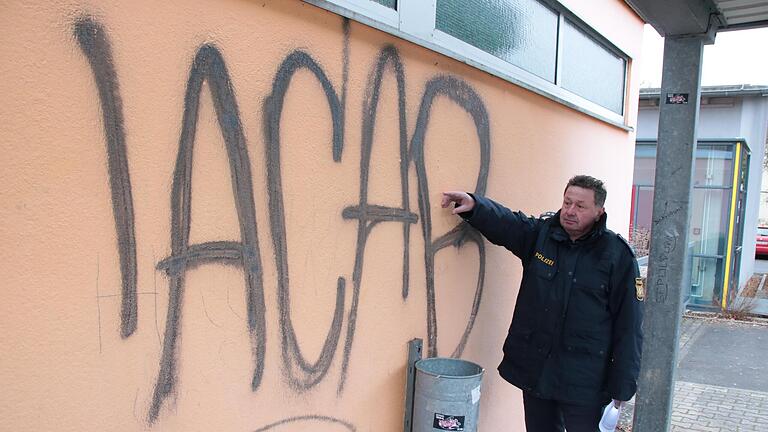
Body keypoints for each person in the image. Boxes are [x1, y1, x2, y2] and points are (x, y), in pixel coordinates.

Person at [442, 175, 643, 432]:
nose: (570, 211)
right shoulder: (543, 236)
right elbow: (508, 224)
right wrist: (475, 206)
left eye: (580, 206)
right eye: (567, 202)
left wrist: (623, 385)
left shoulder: (617, 256)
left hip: (585, 384)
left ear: (598, 211)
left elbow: (630, 325)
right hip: (539, 374)